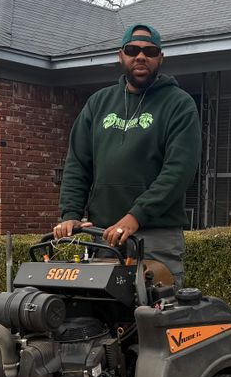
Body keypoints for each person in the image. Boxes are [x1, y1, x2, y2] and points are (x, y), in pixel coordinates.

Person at [54, 23, 200, 286]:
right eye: (132, 50)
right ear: (120, 55)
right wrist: (70, 214)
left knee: (155, 318)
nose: (141, 56)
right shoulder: (98, 103)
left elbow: (178, 172)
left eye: (150, 51)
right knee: (101, 317)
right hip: (104, 236)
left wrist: (136, 216)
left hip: (156, 237)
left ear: (160, 58)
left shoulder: (179, 104)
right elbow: (77, 164)